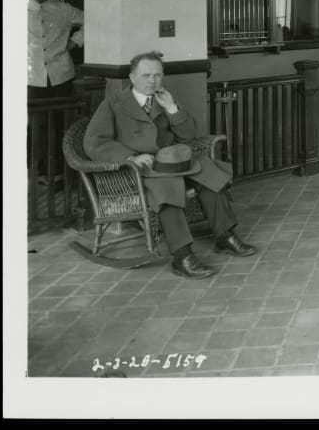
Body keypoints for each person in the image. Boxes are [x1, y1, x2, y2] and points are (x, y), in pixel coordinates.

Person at [84, 51, 257, 279]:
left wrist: (172, 108)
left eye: (157, 75)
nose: (152, 81)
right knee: (168, 190)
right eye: (146, 75)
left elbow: (188, 136)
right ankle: (182, 255)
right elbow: (94, 142)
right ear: (132, 77)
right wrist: (128, 156)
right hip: (139, 169)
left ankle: (225, 236)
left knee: (210, 174)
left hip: (173, 161)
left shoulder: (163, 98)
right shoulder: (114, 104)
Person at [27, 0, 84, 99]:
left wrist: (76, 41)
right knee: (35, 118)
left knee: (60, 116)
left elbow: (91, 21)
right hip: (30, 78)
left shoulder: (64, 9)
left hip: (61, 75)